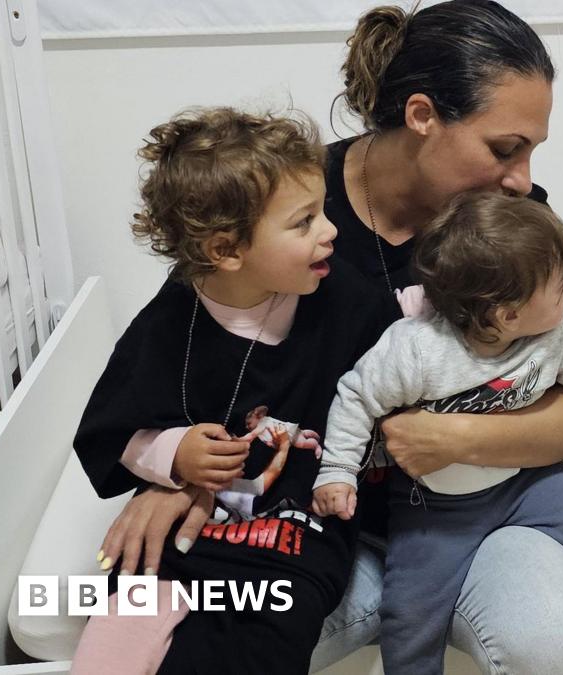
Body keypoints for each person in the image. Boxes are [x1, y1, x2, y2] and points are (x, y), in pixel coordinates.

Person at [94, 2, 563, 672]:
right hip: (313, 519)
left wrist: (455, 439)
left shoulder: (514, 223)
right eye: (503, 148)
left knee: (557, 641)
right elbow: (188, 357)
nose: (521, 178)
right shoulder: (282, 201)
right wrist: (174, 467)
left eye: (531, 151)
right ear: (423, 115)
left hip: (480, 512)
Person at [315, 193, 563, 672]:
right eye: (562, 284)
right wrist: (337, 471)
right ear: (507, 315)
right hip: (435, 508)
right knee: (410, 609)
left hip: (525, 484)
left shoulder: (559, 332)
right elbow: (356, 398)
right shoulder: (417, 350)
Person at [70, 107, 393, 673]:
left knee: (259, 645)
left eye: (323, 211)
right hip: (181, 534)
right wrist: (177, 454)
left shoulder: (349, 300)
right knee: (118, 638)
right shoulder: (174, 319)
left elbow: (403, 368)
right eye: (304, 221)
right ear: (226, 251)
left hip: (292, 539)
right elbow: (112, 429)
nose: (331, 231)